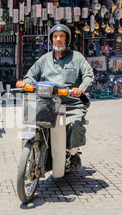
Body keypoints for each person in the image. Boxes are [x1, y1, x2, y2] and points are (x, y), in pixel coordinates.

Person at [16, 24, 94, 170]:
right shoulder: (44, 60)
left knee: (74, 125)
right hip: (48, 102)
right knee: (34, 124)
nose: (58, 39)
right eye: (55, 36)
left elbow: (88, 75)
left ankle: (73, 153)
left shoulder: (77, 58)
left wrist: (80, 89)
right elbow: (31, 76)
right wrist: (24, 82)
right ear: (51, 39)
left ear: (67, 39)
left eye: (61, 36)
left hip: (72, 103)